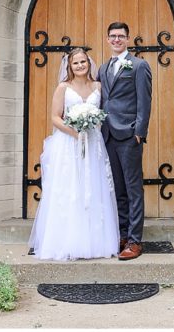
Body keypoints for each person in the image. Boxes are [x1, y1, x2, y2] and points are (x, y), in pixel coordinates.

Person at [28, 47, 119, 260]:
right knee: (70, 189)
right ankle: (67, 241)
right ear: (69, 66)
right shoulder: (63, 88)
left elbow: (103, 113)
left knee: (94, 187)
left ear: (89, 63)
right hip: (69, 145)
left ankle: (96, 242)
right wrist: (76, 133)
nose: (80, 66)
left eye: (83, 62)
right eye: (75, 63)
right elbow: (55, 117)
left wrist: (91, 128)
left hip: (94, 144)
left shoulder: (98, 86)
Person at [99, 21, 152, 261]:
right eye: (113, 36)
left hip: (129, 135)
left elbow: (145, 100)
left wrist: (139, 131)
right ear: (108, 39)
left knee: (133, 189)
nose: (117, 40)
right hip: (108, 135)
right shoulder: (103, 68)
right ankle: (121, 235)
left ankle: (134, 240)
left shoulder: (139, 66)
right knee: (118, 189)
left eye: (121, 36)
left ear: (128, 39)